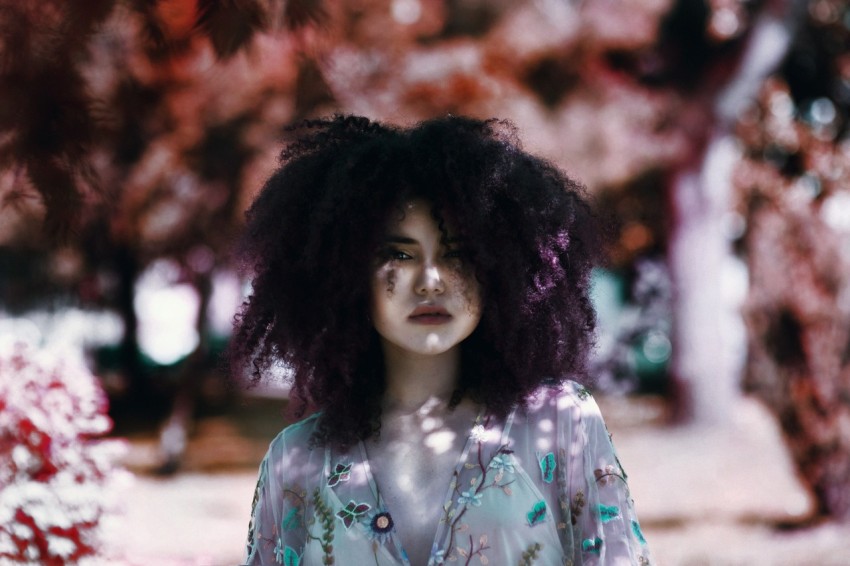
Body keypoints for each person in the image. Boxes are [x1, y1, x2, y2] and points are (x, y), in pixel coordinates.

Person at [231, 115, 652, 565]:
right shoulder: (294, 462)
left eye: (457, 254)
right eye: (399, 254)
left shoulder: (559, 424)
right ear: (344, 272)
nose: (430, 281)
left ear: (498, 266)